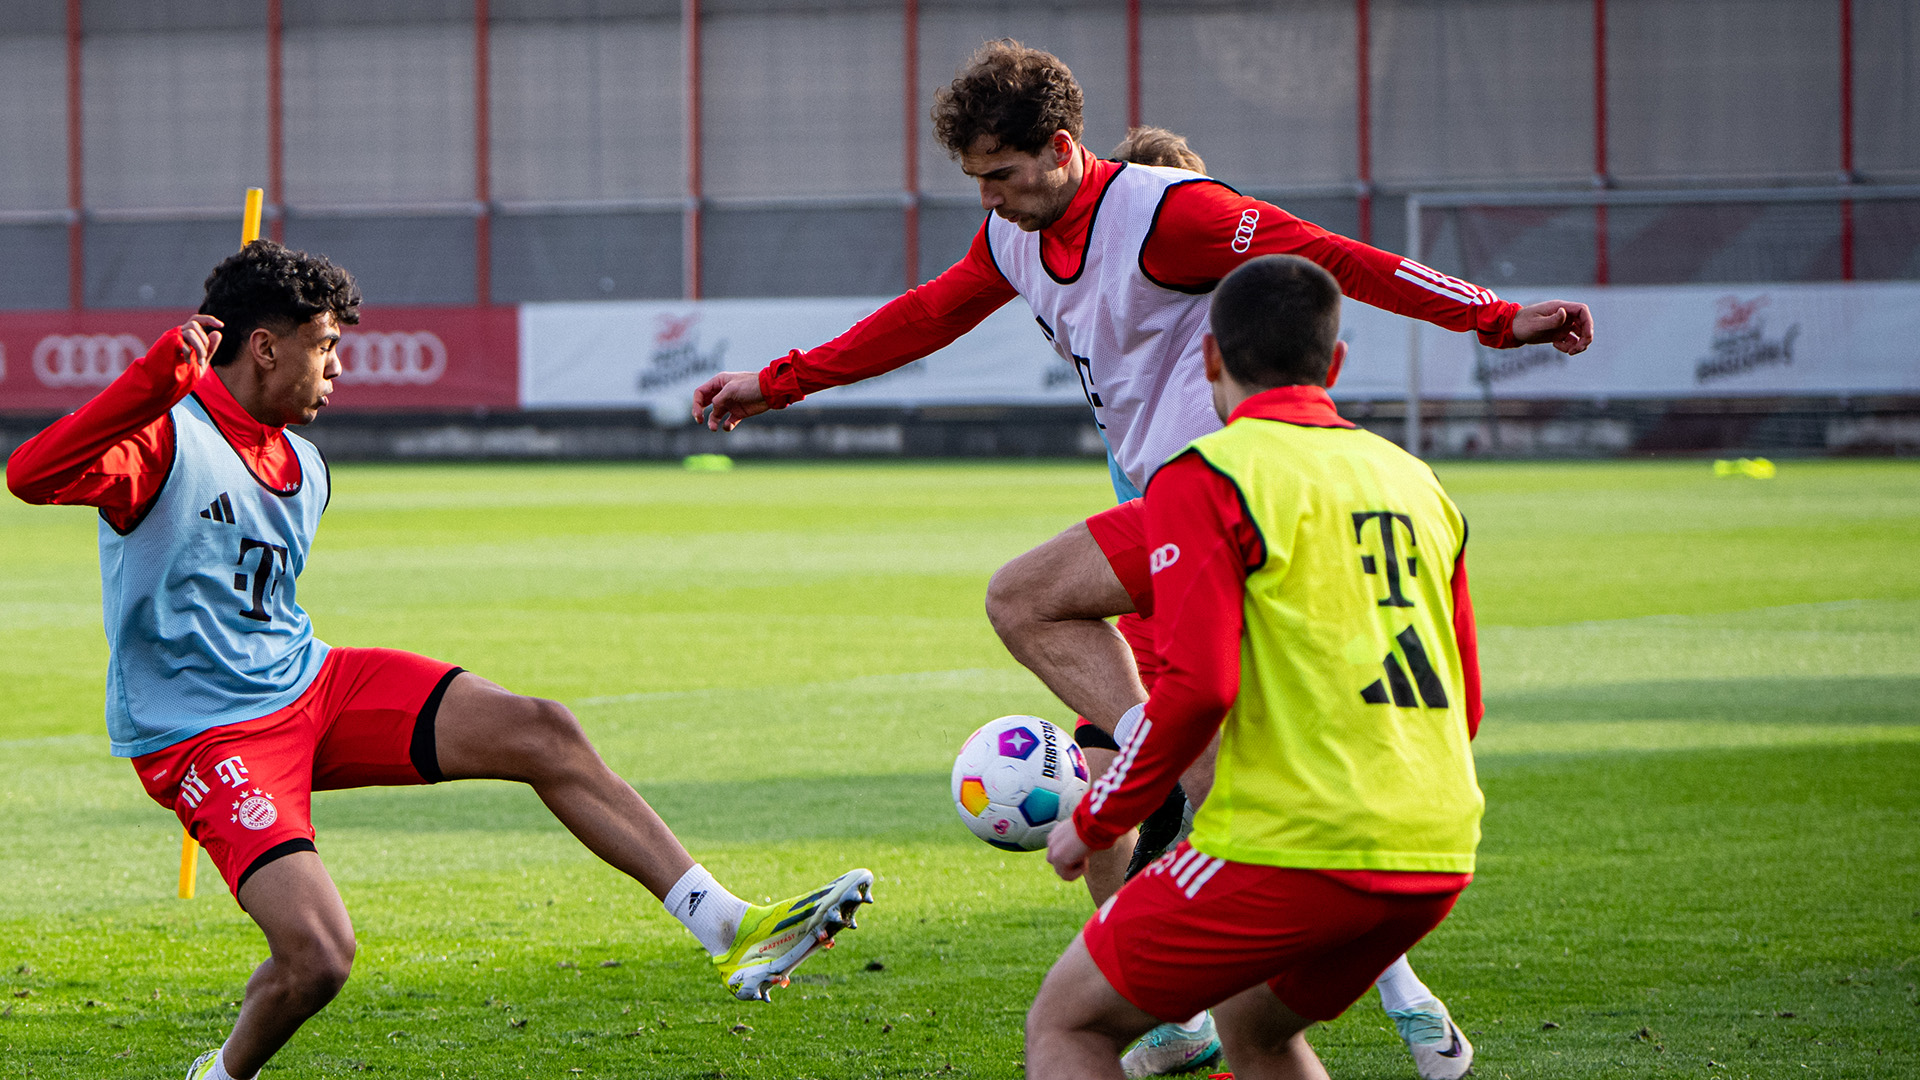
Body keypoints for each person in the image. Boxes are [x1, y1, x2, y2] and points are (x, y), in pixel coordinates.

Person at [692, 39, 1581, 1078]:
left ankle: (1175, 848)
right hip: (1173, 511)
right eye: (975, 178)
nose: (987, 197)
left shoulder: (1168, 213)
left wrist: (1492, 316)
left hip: (1222, 499)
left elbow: (1325, 254)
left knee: (1029, 604)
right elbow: (926, 317)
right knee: (1253, 978)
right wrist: (780, 382)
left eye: (1000, 174)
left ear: (1060, 150)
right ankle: (1235, 922)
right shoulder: (1011, 236)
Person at [5, 241, 874, 1080]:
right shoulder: (164, 438)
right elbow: (30, 474)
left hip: (311, 683)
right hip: (207, 738)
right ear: (263, 348)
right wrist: (156, 381)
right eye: (325, 346)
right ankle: (222, 1075)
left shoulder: (306, 465)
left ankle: (727, 929)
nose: (339, 368)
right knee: (319, 958)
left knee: (541, 730)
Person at [1017, 254, 1487, 1080]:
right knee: (1256, 1025)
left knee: (1068, 1025)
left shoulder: (1207, 477)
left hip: (1296, 844)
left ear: (1209, 361)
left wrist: (1095, 823)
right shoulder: (1417, 481)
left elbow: (1199, 687)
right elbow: (1465, 704)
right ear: (1334, 365)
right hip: (1438, 842)